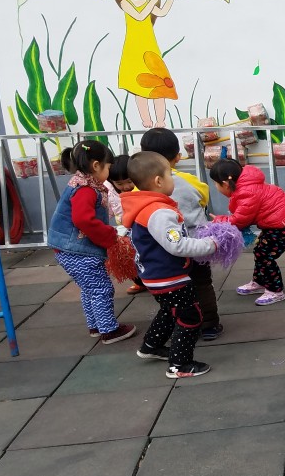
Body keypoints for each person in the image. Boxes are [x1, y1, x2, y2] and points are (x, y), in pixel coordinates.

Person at [122, 152, 217, 378]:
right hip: (170, 277)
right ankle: (179, 365)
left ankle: (151, 346)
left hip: (155, 275)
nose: (173, 179)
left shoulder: (143, 206)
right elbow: (178, 245)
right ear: (158, 181)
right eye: (170, 175)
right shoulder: (159, 212)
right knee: (190, 317)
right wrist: (210, 244)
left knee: (168, 311)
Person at [47, 140, 137, 345]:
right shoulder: (86, 189)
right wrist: (110, 236)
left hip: (67, 248)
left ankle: (96, 325)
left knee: (90, 289)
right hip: (77, 250)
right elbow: (83, 220)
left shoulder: (81, 183)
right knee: (101, 289)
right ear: (96, 166)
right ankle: (109, 330)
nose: (108, 172)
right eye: (108, 167)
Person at [141, 127, 223, 340]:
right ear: (177, 156)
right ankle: (209, 324)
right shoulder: (188, 180)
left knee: (176, 288)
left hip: (164, 250)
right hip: (196, 243)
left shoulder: (138, 188)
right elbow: (203, 197)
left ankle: (185, 323)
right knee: (202, 283)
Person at [209, 159, 285, 306]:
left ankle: (275, 291)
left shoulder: (247, 192)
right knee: (260, 251)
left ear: (225, 184)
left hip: (284, 228)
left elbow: (240, 220)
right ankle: (260, 281)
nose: (215, 186)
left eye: (215, 183)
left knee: (265, 256)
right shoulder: (246, 186)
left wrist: (220, 220)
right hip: (279, 224)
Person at [108, 0, 176, 129]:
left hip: (150, 48)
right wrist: (152, 0)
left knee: (159, 85)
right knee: (139, 88)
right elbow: (139, 16)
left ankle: (160, 120)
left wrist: (169, 0)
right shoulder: (126, 2)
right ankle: (146, 119)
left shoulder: (147, 1)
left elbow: (161, 12)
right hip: (134, 49)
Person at [105, 153, 147, 296]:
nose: (126, 187)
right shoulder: (110, 193)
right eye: (119, 184)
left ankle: (150, 279)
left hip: (143, 228)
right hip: (125, 230)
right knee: (122, 255)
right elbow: (107, 212)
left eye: (129, 181)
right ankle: (139, 281)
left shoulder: (143, 188)